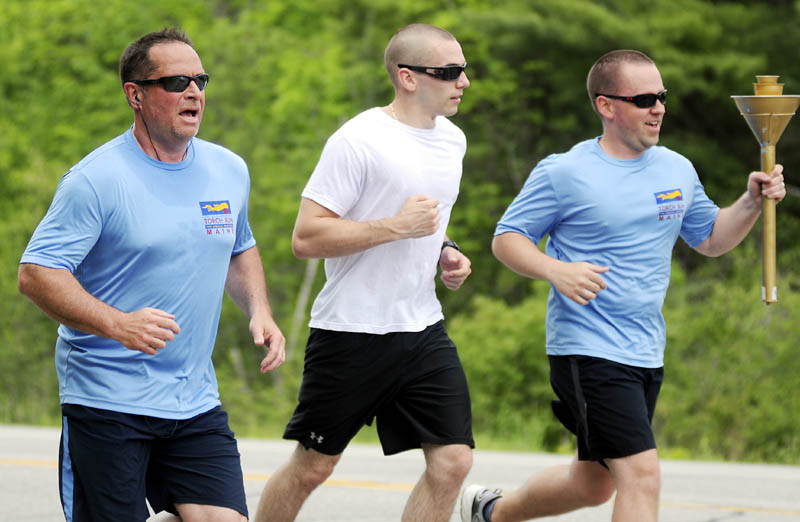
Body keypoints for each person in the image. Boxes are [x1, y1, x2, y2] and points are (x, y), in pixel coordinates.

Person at [461, 50, 787, 522]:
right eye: (644, 98)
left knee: (593, 483)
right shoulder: (564, 171)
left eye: (662, 97)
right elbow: (506, 238)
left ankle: (491, 513)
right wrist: (556, 271)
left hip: (646, 348)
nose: (659, 108)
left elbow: (712, 239)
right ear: (606, 106)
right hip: (587, 347)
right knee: (641, 472)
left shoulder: (676, 168)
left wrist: (751, 203)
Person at [18, 28, 286, 522]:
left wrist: (260, 310)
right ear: (135, 95)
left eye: (200, 80)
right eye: (176, 81)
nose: (194, 92)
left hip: (193, 398)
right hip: (106, 398)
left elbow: (238, 247)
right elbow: (36, 273)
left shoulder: (228, 169)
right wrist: (118, 325)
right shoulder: (96, 180)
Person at [254, 23, 474, 522]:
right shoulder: (357, 141)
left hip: (421, 327)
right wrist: (395, 227)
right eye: (451, 72)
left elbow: (431, 223)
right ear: (408, 77)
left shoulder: (453, 141)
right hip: (352, 331)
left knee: (454, 461)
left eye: (464, 70)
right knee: (314, 466)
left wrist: (447, 251)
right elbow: (306, 237)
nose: (464, 82)